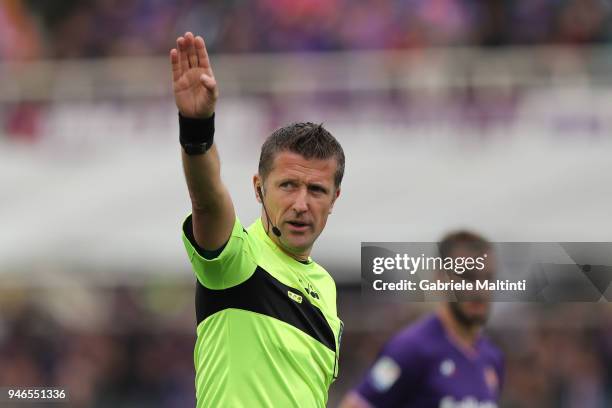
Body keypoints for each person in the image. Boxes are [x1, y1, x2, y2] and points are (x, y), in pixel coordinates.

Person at [170, 32, 345, 407]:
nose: (301, 203)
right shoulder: (238, 261)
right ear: (259, 189)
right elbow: (207, 200)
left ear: (334, 199)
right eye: (287, 185)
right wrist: (197, 127)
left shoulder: (326, 287)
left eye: (316, 191)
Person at [340, 231, 504, 408]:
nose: (480, 289)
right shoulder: (411, 349)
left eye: (487, 278)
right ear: (441, 279)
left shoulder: (492, 358)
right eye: (467, 277)